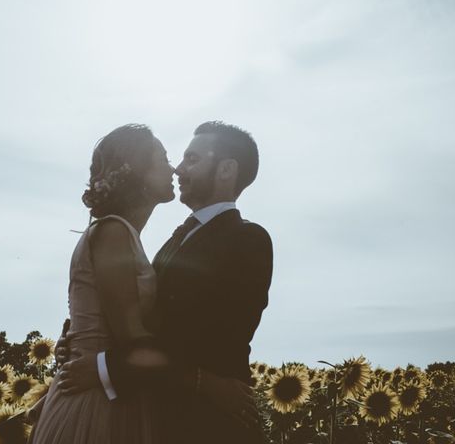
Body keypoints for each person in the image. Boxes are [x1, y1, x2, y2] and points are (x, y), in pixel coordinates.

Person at [56, 121, 274, 444]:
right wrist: (76, 342)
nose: (178, 169)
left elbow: (198, 336)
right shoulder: (171, 242)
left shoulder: (248, 240)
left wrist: (106, 365)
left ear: (227, 170)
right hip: (159, 417)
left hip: (211, 424)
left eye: (192, 159)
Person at [28, 124, 174, 444]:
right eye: (163, 159)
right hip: (98, 404)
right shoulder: (113, 233)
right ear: (138, 172)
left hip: (106, 389)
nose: (173, 168)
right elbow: (130, 336)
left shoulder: (120, 234)